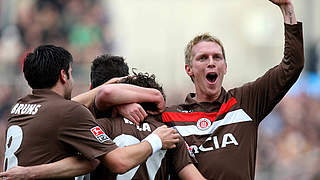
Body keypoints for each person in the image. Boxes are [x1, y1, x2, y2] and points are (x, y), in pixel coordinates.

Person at [0, 55, 206, 180]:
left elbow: (96, 162)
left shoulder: (89, 122)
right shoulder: (168, 132)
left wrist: (30, 172)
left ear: (92, 87)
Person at [161, 0, 304, 179]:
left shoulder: (246, 101)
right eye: (203, 58)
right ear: (189, 69)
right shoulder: (170, 117)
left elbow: (293, 65)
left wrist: (287, 9)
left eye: (217, 57)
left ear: (225, 67)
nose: (211, 62)